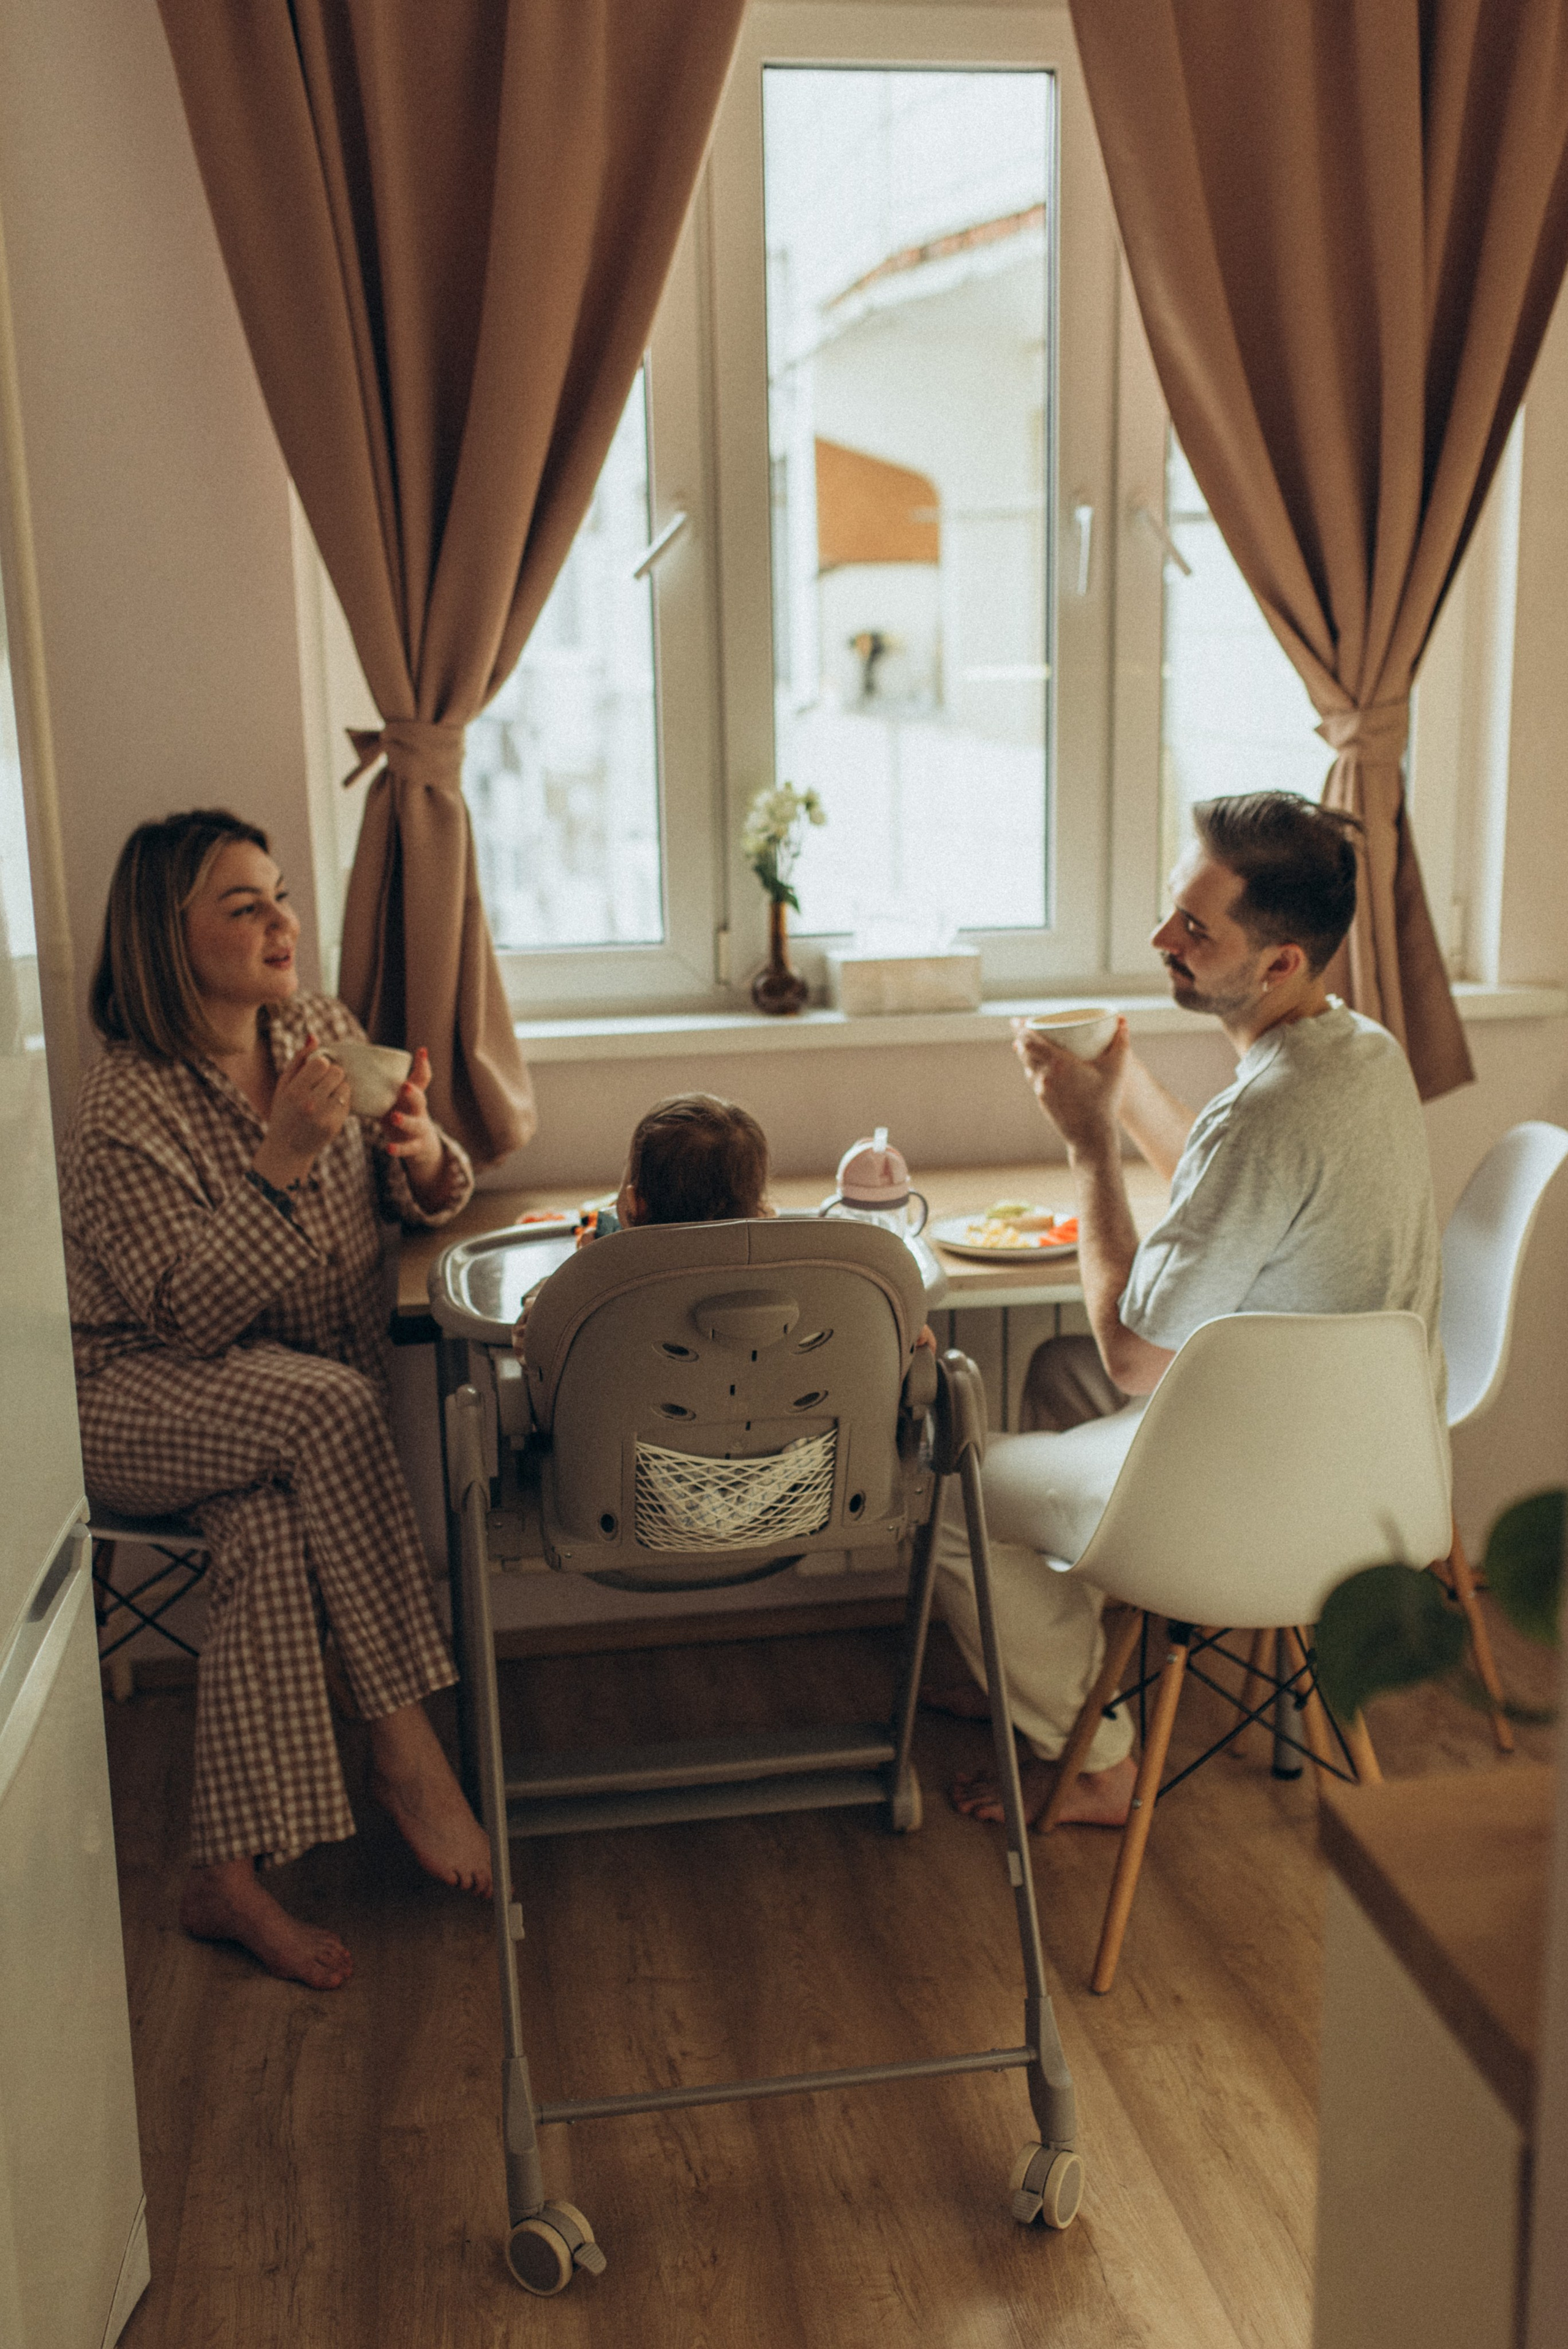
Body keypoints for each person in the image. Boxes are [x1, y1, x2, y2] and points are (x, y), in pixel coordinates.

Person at [930, 792, 1446, 1828]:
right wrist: (1120, 1089)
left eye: (1195, 929)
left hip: (1259, 1498)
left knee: (948, 1488)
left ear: (1279, 962)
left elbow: (1133, 1355)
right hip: (1379, 1468)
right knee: (1054, 1376)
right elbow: (1226, 1187)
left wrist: (1086, 1144)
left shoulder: (1264, 1112)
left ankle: (1099, 1756)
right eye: (1175, 907)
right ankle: (1058, 1673)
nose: (1163, 937)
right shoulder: (1361, 1051)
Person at [61, 809, 492, 1992]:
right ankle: (406, 1748)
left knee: (266, 1527)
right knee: (330, 1407)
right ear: (166, 935)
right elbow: (187, 1317)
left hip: (279, 1415)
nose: (282, 923)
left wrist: (419, 1150)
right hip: (134, 1396)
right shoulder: (124, 1107)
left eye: (282, 895)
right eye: (244, 906)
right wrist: (284, 1158)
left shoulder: (314, 1029)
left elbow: (431, 1193)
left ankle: (225, 1875)